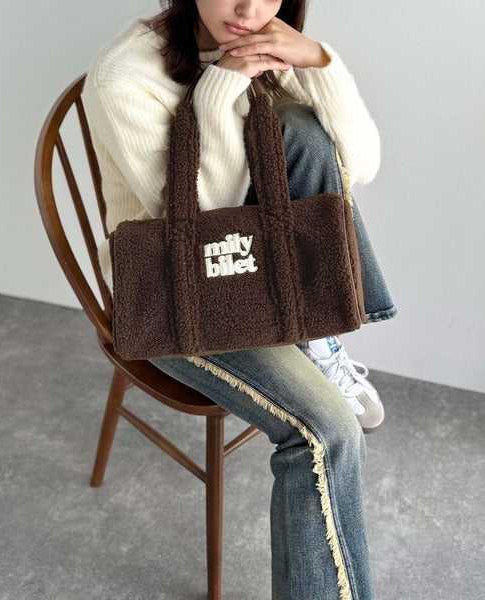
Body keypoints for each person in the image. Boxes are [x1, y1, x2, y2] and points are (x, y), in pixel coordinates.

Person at [82, 2, 397, 597]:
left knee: (303, 131)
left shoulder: (264, 39)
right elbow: (201, 222)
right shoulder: (124, 76)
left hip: (259, 270)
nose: (249, 9)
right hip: (169, 292)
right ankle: (313, 329)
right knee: (325, 434)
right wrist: (220, 88)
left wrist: (320, 63)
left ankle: (315, 332)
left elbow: (358, 168)